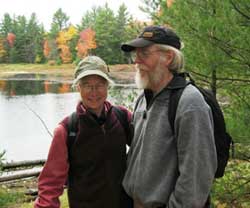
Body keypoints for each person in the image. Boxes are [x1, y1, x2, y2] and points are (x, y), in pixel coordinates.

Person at [120, 26, 217, 208]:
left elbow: (196, 178)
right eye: (136, 54)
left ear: (169, 57)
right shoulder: (143, 98)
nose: (137, 61)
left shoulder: (189, 102)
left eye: (145, 53)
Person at [34, 56, 133, 208]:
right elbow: (51, 183)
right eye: (87, 85)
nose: (94, 91)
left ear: (108, 86)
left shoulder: (123, 117)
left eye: (100, 85)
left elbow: (148, 150)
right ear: (78, 87)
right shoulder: (67, 130)